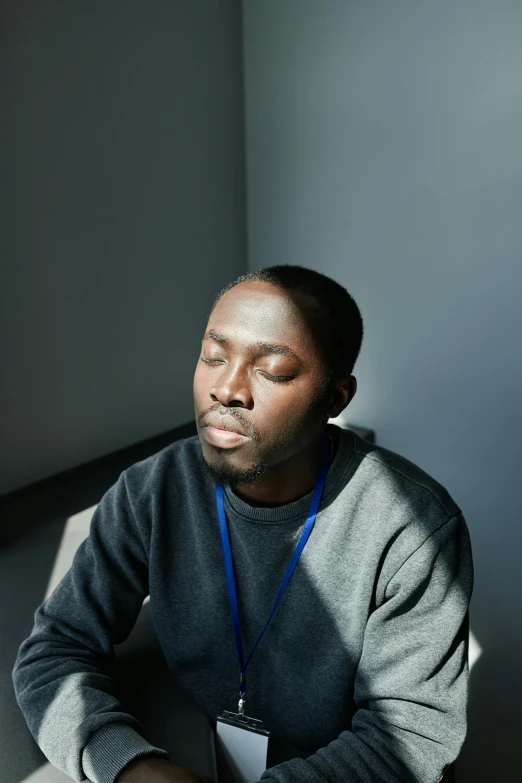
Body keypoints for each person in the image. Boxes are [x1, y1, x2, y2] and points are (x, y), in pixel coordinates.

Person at [12, 265, 474, 783]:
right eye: (213, 356)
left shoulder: (414, 530)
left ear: (336, 398)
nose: (226, 388)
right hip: (201, 743)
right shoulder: (152, 491)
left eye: (272, 370)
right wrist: (128, 764)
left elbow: (410, 737)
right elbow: (54, 648)